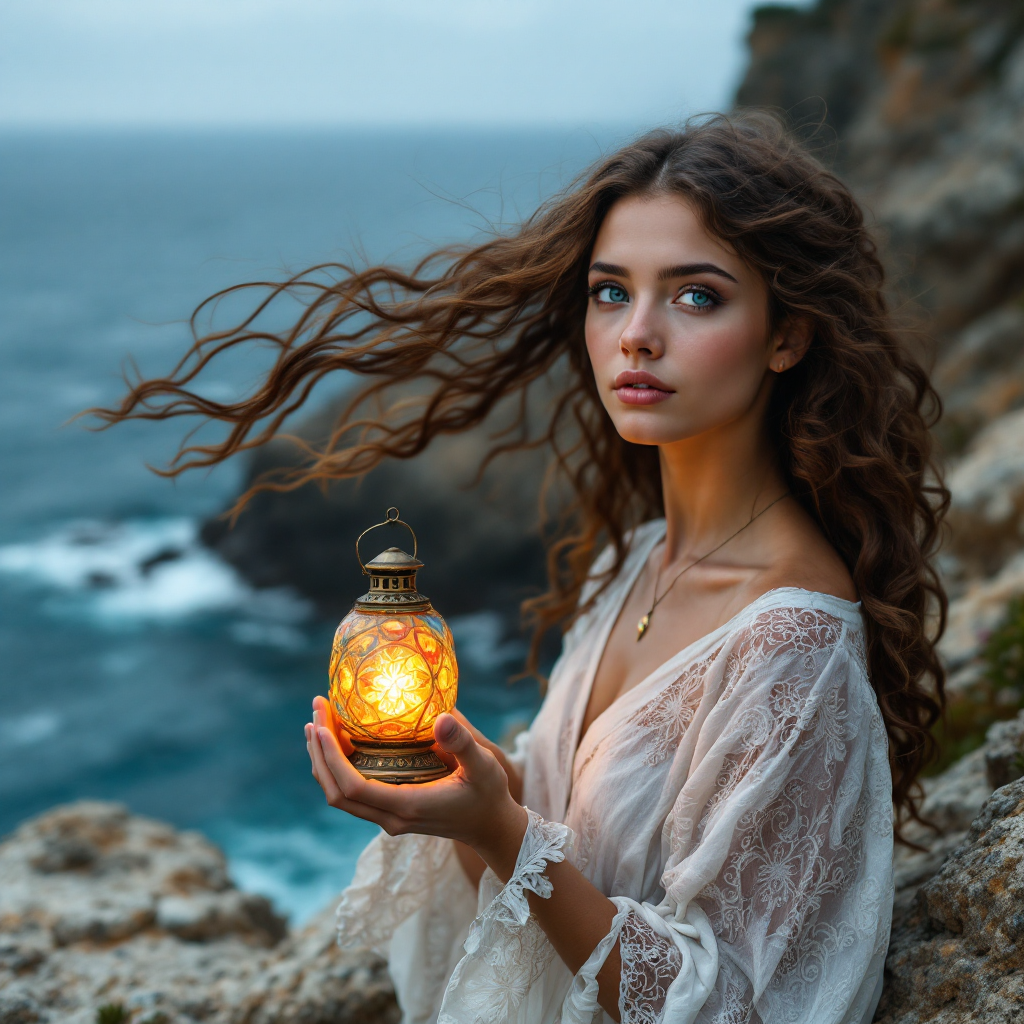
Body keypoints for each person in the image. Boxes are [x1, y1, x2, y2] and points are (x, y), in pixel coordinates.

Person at [98, 114, 948, 1023]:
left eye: (697, 297)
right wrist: (472, 799)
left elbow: (740, 1005)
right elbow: (553, 880)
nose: (637, 335)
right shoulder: (633, 563)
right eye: (611, 292)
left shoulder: (794, 641)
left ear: (788, 336)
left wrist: (504, 830)